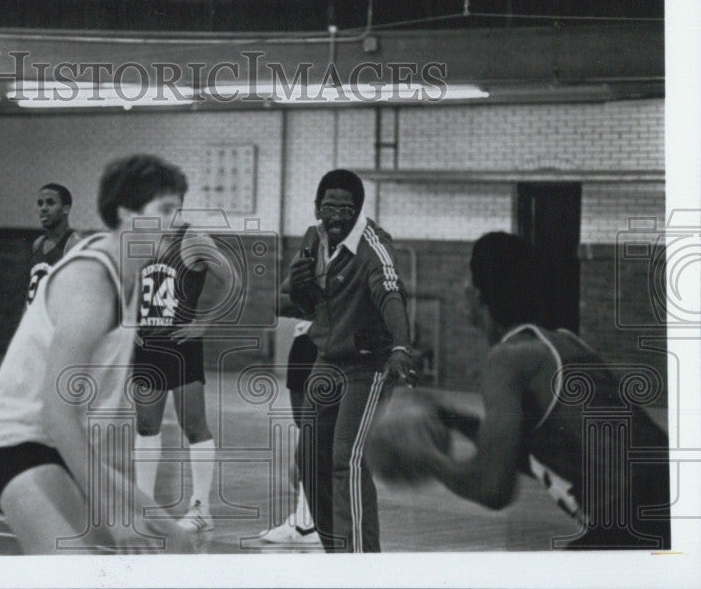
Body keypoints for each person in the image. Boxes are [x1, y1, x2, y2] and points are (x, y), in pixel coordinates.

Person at [0, 154, 193, 554]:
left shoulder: (132, 273)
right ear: (126, 213)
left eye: (179, 211)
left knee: (175, 545)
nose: (177, 224)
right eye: (166, 211)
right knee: (72, 566)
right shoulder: (90, 283)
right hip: (10, 443)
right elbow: (57, 412)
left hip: (59, 444)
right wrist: (111, 510)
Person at [398, 232, 672, 550]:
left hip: (637, 513)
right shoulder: (565, 342)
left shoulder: (508, 359)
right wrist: (452, 419)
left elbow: (493, 489)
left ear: (475, 293)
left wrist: (424, 457)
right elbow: (536, 453)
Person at [285, 168, 419, 553]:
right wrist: (299, 284)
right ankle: (337, 553)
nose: (337, 216)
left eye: (346, 209)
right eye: (329, 207)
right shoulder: (314, 239)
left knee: (347, 459)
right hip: (327, 360)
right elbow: (302, 300)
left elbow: (390, 293)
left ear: (358, 211)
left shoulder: (374, 246)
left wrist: (401, 347)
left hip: (369, 365)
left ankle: (361, 561)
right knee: (310, 460)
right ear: (317, 207)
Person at [131, 219, 234, 533]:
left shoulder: (193, 238)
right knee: (146, 426)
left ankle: (201, 508)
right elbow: (135, 286)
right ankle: (143, 506)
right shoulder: (144, 236)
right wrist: (130, 322)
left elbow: (232, 281)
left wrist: (205, 322)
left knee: (192, 424)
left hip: (181, 344)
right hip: (147, 345)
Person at [256, 319, 320, 545]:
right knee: (304, 430)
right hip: (304, 337)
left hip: (330, 337)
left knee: (319, 433)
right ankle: (305, 518)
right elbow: (283, 297)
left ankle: (309, 522)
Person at [27, 183, 81, 305]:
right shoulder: (38, 243)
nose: (43, 208)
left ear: (65, 209)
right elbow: (31, 290)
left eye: (50, 203)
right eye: (40, 204)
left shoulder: (73, 243)